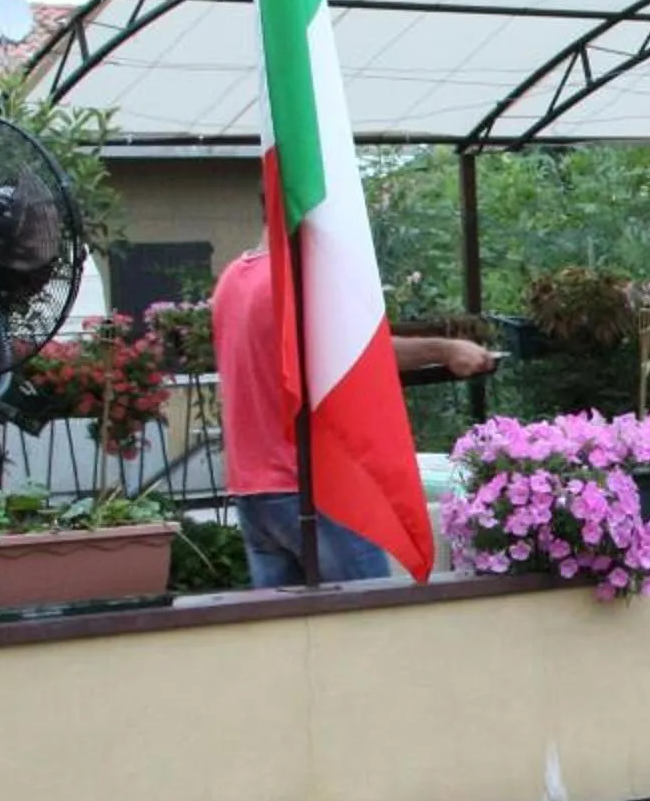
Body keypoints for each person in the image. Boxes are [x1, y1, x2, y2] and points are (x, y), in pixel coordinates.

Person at [212, 237, 496, 587]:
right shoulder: (298, 278)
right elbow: (358, 352)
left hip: (253, 490)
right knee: (365, 611)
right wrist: (446, 350)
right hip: (314, 488)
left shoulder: (233, 279)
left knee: (287, 619)